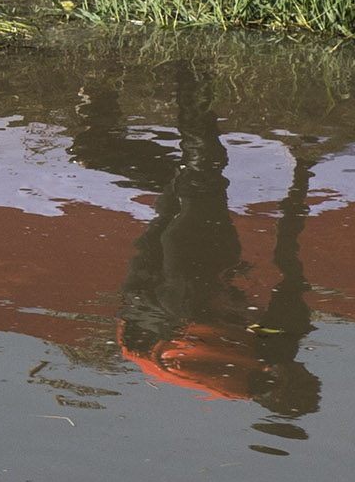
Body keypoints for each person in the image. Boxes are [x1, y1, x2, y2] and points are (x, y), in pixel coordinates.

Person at [67, 68, 325, 427]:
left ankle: (193, 69)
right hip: (137, 319)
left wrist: (303, 171)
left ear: (289, 380)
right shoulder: (259, 361)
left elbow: (287, 253)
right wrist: (302, 173)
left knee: (202, 176)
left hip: (178, 308)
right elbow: (287, 257)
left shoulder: (269, 354)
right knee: (187, 184)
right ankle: (98, 149)